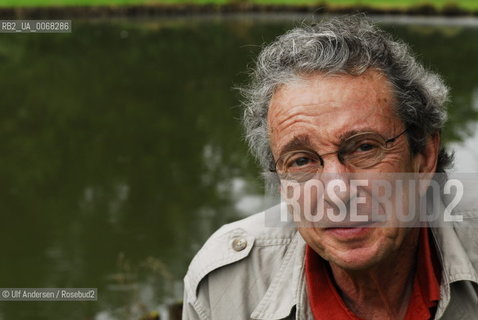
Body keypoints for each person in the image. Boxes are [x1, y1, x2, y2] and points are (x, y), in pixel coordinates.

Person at [182, 16, 478, 320]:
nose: (337, 192)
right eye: (301, 161)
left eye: (364, 148)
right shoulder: (224, 286)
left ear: (424, 156)